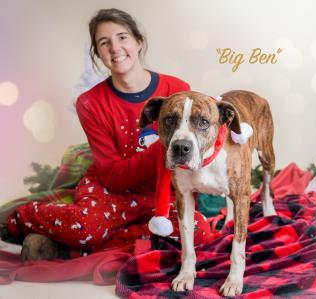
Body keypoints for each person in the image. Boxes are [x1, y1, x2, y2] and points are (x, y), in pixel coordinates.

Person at [3, 8, 211, 260]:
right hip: (111, 189)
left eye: (122, 37)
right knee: (85, 228)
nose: (115, 47)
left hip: (162, 191)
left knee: (199, 232)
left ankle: (69, 248)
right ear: (98, 54)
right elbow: (113, 177)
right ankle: (22, 217)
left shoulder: (176, 89)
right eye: (104, 42)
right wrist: (163, 150)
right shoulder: (90, 103)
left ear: (138, 41)